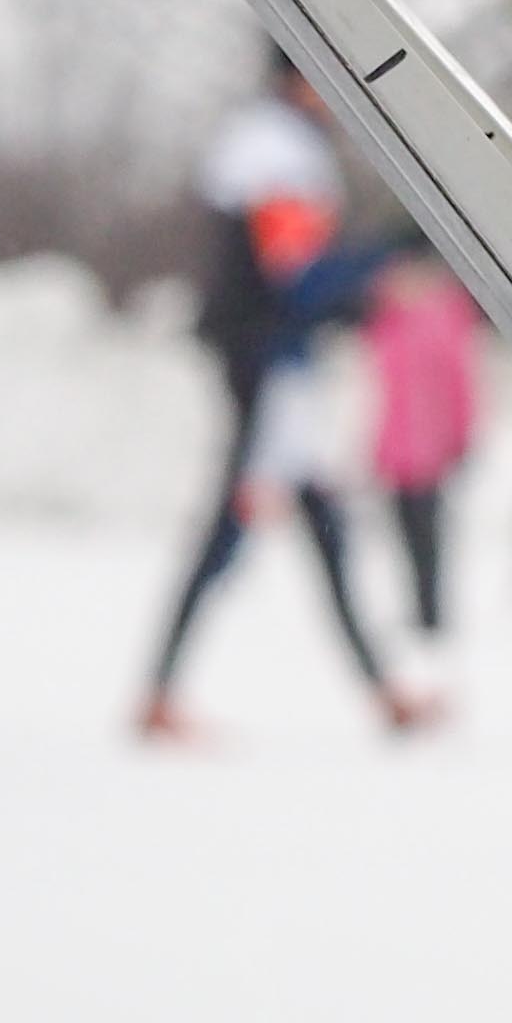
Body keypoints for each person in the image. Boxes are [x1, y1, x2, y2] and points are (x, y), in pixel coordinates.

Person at [139, 55, 421, 742]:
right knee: (231, 530)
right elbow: (296, 278)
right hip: (267, 366)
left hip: (278, 366)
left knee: (320, 527)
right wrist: (385, 257)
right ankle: (159, 695)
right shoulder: (278, 150)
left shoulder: (275, 144)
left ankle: (382, 691)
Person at [364, 254, 477, 645]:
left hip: (432, 447)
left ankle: (432, 611)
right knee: (401, 529)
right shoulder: (386, 319)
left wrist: (462, 434)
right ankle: (417, 605)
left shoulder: (446, 318)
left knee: (429, 530)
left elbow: (463, 382)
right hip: (396, 448)